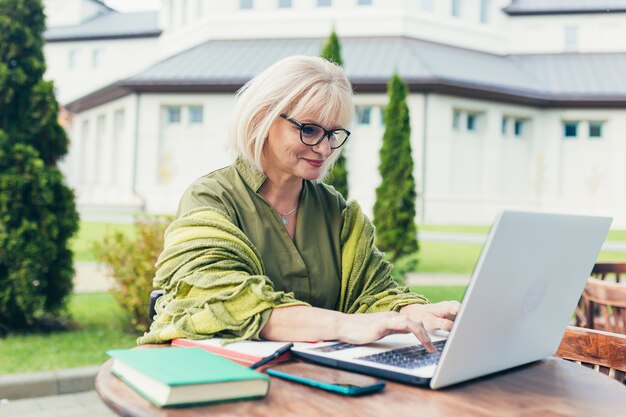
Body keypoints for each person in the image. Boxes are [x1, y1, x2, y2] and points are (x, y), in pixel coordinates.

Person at [138, 55, 459, 351]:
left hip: (322, 384)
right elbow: (226, 301)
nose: (323, 149)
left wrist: (414, 311)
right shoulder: (210, 199)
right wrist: (344, 325)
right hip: (230, 387)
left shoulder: (339, 214)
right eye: (309, 130)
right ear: (261, 117)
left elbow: (375, 294)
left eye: (333, 134)